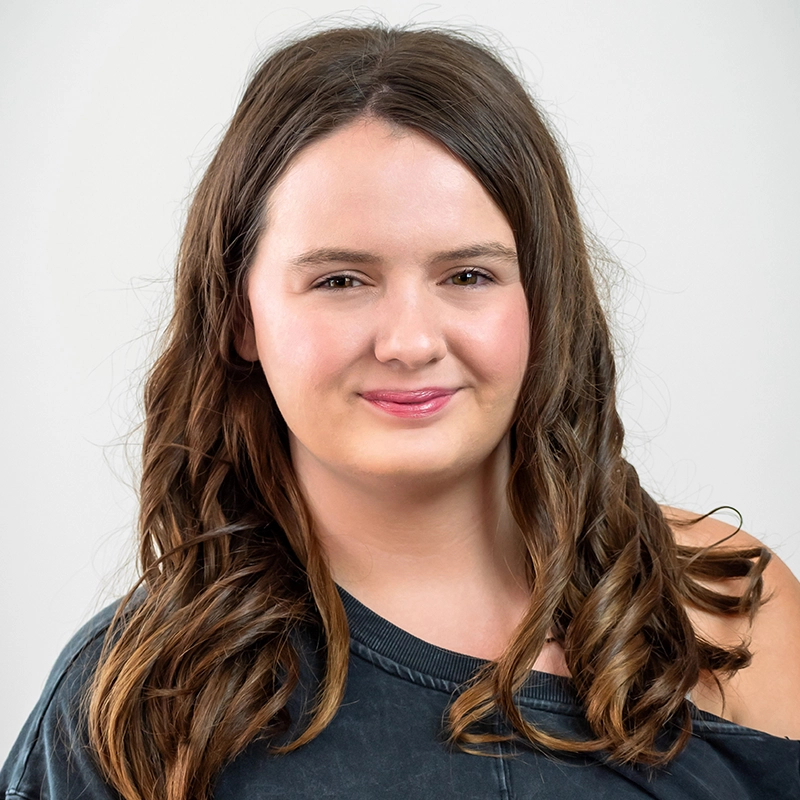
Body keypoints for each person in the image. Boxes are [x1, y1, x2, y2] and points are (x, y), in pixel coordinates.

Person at [2, 21, 799, 800]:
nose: (411, 342)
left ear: (543, 301)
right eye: (341, 280)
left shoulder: (728, 608)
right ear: (239, 317)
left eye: (468, 276)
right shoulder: (139, 699)